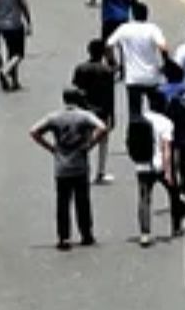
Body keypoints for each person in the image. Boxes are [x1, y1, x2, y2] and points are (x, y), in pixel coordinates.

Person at [29, 87, 109, 249]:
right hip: (79, 165)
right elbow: (102, 127)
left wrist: (51, 148)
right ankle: (86, 233)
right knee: (83, 201)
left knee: (63, 202)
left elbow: (34, 131)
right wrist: (90, 144)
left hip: (61, 166)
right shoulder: (84, 116)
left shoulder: (54, 117)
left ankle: (64, 236)